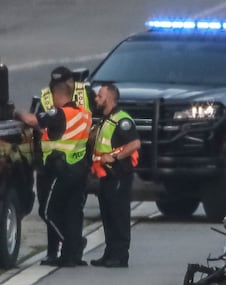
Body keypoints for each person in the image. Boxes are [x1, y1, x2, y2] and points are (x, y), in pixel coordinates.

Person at [16, 80, 91, 267]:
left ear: (58, 96)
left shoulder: (60, 113)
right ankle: (70, 257)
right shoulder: (84, 114)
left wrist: (15, 113)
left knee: (47, 211)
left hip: (62, 170)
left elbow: (33, 120)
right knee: (72, 213)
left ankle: (73, 245)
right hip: (80, 170)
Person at [35, 66, 93, 266]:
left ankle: (72, 248)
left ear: (73, 81)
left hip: (66, 166)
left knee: (55, 211)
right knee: (66, 210)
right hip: (63, 165)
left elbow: (36, 121)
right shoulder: (45, 97)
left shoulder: (86, 94)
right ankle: (61, 253)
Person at [89, 83, 140, 268]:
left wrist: (115, 156)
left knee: (119, 216)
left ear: (110, 98)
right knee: (108, 216)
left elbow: (134, 144)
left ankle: (120, 256)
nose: (96, 99)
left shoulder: (122, 120)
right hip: (106, 176)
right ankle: (109, 253)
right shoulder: (105, 120)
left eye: (99, 96)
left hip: (119, 174)